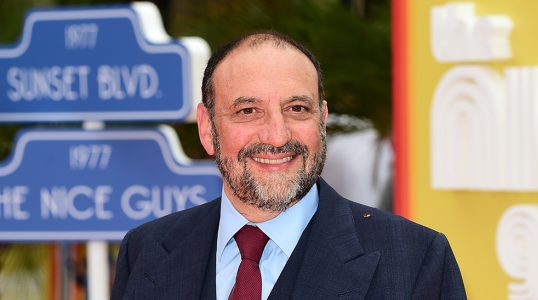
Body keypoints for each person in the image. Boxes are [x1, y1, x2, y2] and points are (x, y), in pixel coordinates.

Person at [111, 31, 466, 299]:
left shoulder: (415, 261)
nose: (278, 136)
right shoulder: (146, 251)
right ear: (207, 128)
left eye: (297, 109)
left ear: (322, 121)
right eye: (248, 111)